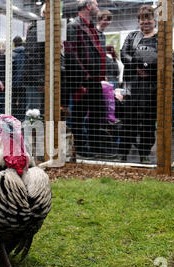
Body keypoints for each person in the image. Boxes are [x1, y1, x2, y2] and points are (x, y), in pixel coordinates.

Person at [65, 0, 107, 157]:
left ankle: (95, 148)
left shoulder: (91, 28)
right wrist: (83, 77)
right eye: (96, 5)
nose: (98, 8)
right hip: (83, 80)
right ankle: (81, 149)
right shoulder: (73, 26)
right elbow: (71, 54)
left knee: (97, 113)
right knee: (79, 115)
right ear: (88, 7)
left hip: (95, 80)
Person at [118, 5, 158, 163]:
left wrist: (149, 68)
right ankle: (123, 153)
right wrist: (137, 65)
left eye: (148, 18)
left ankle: (144, 153)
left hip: (151, 87)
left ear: (154, 20)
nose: (145, 22)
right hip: (132, 86)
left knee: (148, 122)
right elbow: (123, 54)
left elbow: (163, 58)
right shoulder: (132, 36)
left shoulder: (161, 37)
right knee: (128, 121)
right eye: (142, 19)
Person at [24, 4, 46, 115]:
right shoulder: (38, 28)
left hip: (39, 78)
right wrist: (40, 81)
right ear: (45, 13)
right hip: (35, 79)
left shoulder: (44, 28)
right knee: (33, 111)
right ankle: (29, 132)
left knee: (37, 111)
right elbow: (32, 56)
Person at [12, 36, 26, 121]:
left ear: (14, 44)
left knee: (13, 100)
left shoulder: (12, 54)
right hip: (24, 82)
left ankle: (13, 118)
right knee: (23, 101)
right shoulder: (27, 53)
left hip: (13, 82)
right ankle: (21, 119)